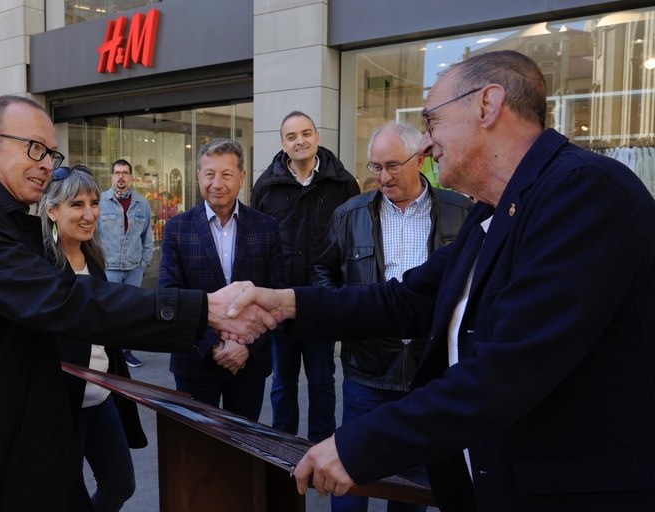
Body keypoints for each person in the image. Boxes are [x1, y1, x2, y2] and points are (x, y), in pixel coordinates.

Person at [229, 50, 655, 511]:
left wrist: (359, 445)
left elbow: (510, 367)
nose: (427, 145)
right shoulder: (493, 210)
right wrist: (283, 303)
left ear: (487, 105)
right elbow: (405, 299)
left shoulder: (584, 192)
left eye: (431, 122)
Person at [0, 95, 274, 511]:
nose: (46, 164)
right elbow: (64, 300)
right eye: (34, 148)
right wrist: (203, 310)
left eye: (51, 153)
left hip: (9, 439)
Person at [313, 121, 471, 512]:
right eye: (375, 167)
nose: (382, 177)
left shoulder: (459, 211)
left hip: (427, 374)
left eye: (392, 165)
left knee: (412, 488)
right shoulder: (349, 215)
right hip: (367, 373)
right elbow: (323, 271)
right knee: (349, 481)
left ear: (419, 160)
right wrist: (344, 315)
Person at [251, 110, 360, 442]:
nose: (300, 141)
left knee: (322, 379)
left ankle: (321, 448)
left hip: (321, 301)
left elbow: (353, 240)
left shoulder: (343, 183)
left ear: (317, 137)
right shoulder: (266, 185)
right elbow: (257, 243)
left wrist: (342, 293)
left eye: (306, 133)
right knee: (283, 382)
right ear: (283, 143)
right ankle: (284, 449)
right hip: (278, 301)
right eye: (291, 136)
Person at [39, 165, 144, 512]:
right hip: (60, 406)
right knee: (63, 497)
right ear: (52, 210)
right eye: (76, 205)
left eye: (94, 203)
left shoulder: (94, 257)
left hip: (101, 400)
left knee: (120, 485)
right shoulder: (39, 266)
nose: (89, 214)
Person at [159, 139, 284, 420]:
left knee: (243, 447)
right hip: (194, 360)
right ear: (198, 177)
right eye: (209, 174)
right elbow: (171, 295)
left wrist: (245, 347)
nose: (217, 183)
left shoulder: (266, 227)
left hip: (248, 361)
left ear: (241, 177)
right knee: (197, 448)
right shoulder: (178, 228)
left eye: (226, 175)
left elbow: (275, 297)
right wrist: (214, 345)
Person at [98, 158, 154, 368]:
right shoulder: (100, 201)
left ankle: (125, 351)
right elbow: (93, 235)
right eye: (117, 172)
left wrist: (143, 264)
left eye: (125, 173)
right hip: (109, 267)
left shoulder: (142, 203)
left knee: (129, 312)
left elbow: (147, 237)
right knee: (110, 311)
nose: (121, 176)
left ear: (131, 177)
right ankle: (110, 352)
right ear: (112, 176)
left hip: (133, 269)